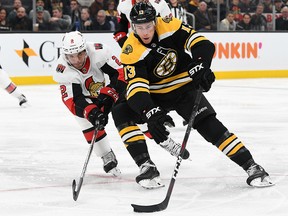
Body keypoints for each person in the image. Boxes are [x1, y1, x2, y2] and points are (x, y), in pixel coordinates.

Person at [112, 2, 274, 189]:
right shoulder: (130, 51)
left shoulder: (169, 24)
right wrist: (151, 112)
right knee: (121, 112)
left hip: (184, 88)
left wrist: (201, 65)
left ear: (155, 22)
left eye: (148, 26)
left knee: (210, 126)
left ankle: (252, 166)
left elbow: (201, 43)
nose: (145, 32)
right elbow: (136, 89)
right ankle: (146, 166)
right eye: (140, 28)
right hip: (155, 94)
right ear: (133, 26)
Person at [53, 31, 127, 176]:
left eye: (80, 54)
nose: (76, 60)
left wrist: (111, 93)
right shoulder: (62, 70)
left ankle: (154, 131)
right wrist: (92, 112)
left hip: (106, 91)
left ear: (85, 49)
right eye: (71, 56)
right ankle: (106, 154)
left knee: (130, 108)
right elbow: (73, 101)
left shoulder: (99, 51)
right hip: (85, 98)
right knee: (86, 123)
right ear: (65, 55)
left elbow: (120, 73)